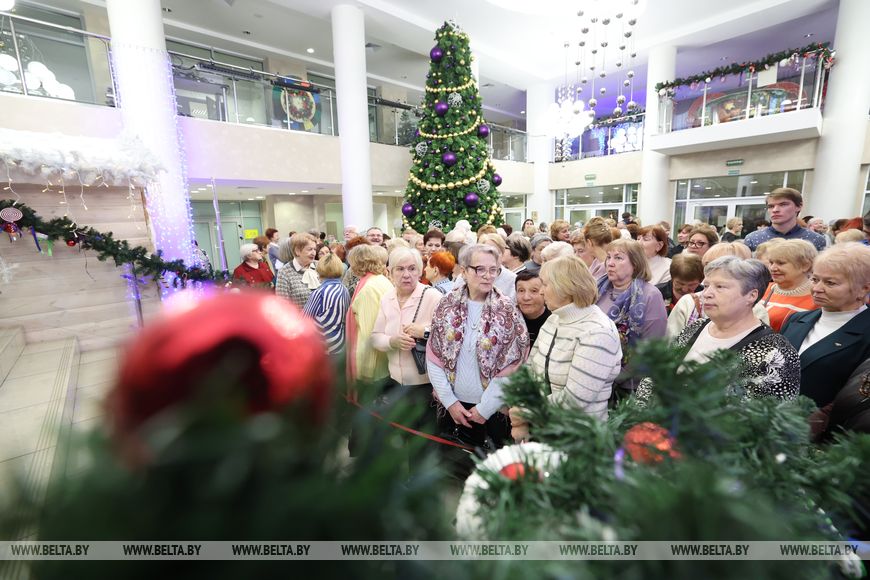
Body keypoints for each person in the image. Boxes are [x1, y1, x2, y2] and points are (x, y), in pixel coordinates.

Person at [638, 257, 800, 403]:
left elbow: (764, 422)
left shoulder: (775, 352)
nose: (706, 294)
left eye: (720, 287)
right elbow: (655, 375)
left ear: (751, 295)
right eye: (706, 286)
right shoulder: (696, 327)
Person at [427, 244, 530, 449]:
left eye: (493, 270)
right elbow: (434, 356)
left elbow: (513, 365)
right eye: (480, 269)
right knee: (453, 471)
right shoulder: (446, 304)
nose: (488, 275)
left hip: (492, 412)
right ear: (464, 271)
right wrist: (450, 402)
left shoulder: (507, 309)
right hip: (452, 407)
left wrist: (484, 408)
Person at [512, 257, 621, 441]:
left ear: (565, 288)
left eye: (545, 285)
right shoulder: (555, 318)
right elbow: (529, 370)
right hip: (542, 431)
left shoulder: (598, 332)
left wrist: (524, 412)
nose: (541, 292)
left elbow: (575, 400)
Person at [780, 243, 870, 407]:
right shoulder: (797, 320)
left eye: (830, 283)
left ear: (863, 289)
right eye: (814, 279)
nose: (817, 288)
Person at [596, 239, 668, 401]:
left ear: (635, 264)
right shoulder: (598, 289)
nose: (610, 263)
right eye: (608, 257)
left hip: (630, 386)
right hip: (595, 376)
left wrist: (617, 376)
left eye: (618, 258)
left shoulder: (650, 295)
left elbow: (651, 346)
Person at [371, 248, 442, 409]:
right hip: (395, 382)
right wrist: (392, 341)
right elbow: (375, 337)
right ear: (390, 272)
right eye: (400, 269)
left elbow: (449, 337)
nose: (406, 274)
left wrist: (424, 332)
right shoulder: (387, 298)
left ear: (419, 272)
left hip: (426, 386)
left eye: (412, 268)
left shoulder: (433, 296)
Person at [666, 242, 770, 339]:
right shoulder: (689, 303)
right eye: (706, 265)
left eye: (718, 265)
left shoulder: (756, 311)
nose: (710, 270)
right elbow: (670, 347)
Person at [345, 244, 392, 383]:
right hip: (382, 358)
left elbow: (369, 331)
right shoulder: (381, 280)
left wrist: (367, 370)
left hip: (373, 366)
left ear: (356, 264)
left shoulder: (368, 288)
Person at [760, 239, 818, 332]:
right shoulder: (762, 288)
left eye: (781, 263)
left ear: (805, 265)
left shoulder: (818, 298)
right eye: (771, 262)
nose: (773, 268)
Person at [742, 188, 826, 252]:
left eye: (783, 204)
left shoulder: (815, 239)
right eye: (771, 206)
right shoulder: (753, 239)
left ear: (799, 206)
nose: (775, 210)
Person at [302, 253, 350, 355]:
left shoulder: (319, 292)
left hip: (322, 347)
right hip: (340, 344)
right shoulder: (344, 289)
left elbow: (305, 319)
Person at [275, 233, 320, 308]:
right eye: (310, 249)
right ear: (297, 251)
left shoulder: (320, 266)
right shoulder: (284, 272)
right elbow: (282, 304)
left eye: (314, 249)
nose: (314, 253)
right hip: (298, 318)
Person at [514, 271, 550, 346]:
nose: (526, 297)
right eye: (521, 291)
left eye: (534, 291)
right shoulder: (509, 319)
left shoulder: (553, 321)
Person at [479, 233, 517, 301]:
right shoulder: (467, 276)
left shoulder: (513, 279)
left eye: (497, 252)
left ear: (502, 254)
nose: (492, 256)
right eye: (487, 252)